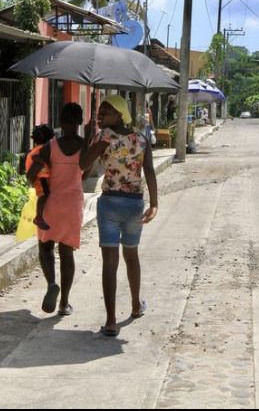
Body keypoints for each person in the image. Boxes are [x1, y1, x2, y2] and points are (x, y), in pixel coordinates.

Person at [80, 95, 158, 337]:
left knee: (110, 262)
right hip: (134, 203)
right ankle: (135, 305)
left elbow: (83, 163)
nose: (100, 115)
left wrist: (88, 138)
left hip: (110, 203)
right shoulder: (142, 139)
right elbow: (150, 172)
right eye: (100, 111)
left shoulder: (104, 137)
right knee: (131, 256)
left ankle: (111, 321)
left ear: (120, 114)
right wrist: (154, 203)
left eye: (106, 111)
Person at [26, 104, 85, 316]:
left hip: (51, 202)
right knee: (67, 252)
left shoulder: (49, 146)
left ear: (60, 122)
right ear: (79, 122)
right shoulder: (84, 146)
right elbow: (85, 175)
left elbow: (31, 175)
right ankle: (64, 303)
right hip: (72, 204)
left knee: (45, 246)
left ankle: (51, 283)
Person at [25, 125, 54, 230]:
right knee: (44, 195)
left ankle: (40, 216)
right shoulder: (41, 150)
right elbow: (40, 161)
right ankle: (39, 217)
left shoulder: (35, 149)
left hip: (40, 177)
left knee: (44, 195)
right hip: (40, 177)